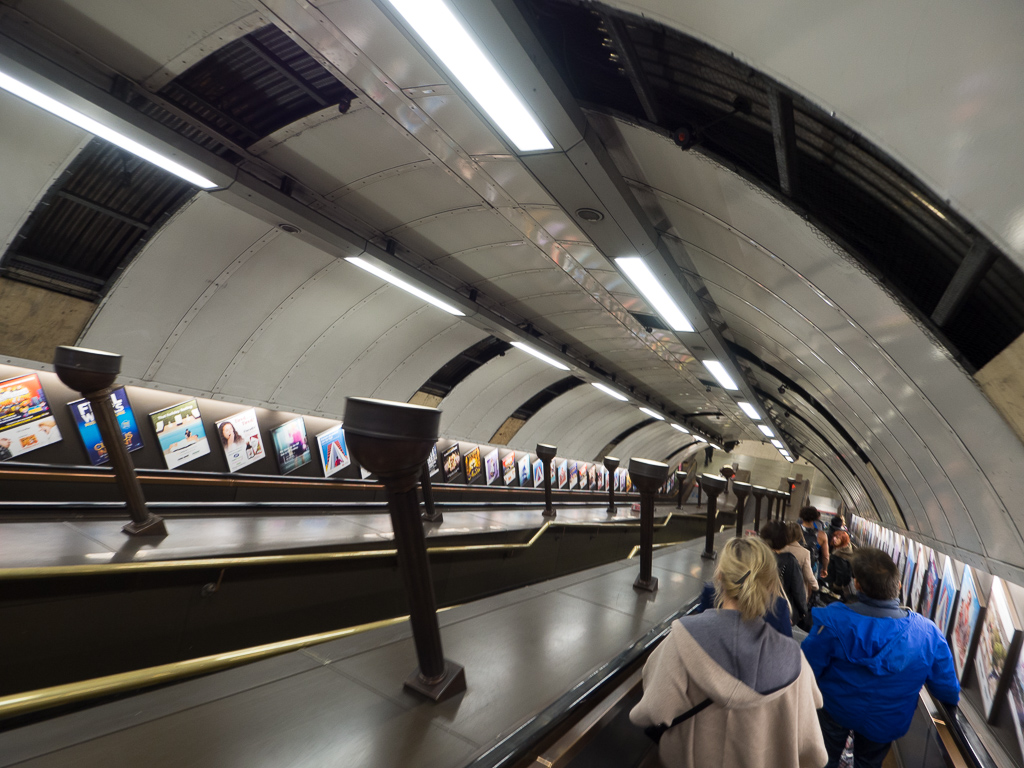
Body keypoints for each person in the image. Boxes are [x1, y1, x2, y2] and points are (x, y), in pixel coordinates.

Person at [630, 536, 828, 767]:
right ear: (771, 585)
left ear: (720, 578)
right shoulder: (795, 662)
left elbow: (652, 711)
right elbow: (815, 753)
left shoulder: (682, 638)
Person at [802, 547, 959, 768]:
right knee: (869, 763)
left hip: (836, 708)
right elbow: (946, 686)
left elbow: (808, 665)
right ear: (899, 585)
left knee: (824, 757)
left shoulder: (833, 620)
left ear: (857, 585)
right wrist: (951, 704)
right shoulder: (927, 633)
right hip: (887, 717)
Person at [760, 521, 809, 630]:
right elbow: (798, 590)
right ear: (784, 540)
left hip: (755, 606)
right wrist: (803, 611)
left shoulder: (756, 555)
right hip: (778, 611)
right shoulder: (790, 561)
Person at [785, 521, 818, 601]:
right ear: (799, 534)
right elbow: (808, 575)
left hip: (780, 592)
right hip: (798, 594)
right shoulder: (804, 553)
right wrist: (815, 587)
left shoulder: (778, 550)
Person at [799, 506, 830, 580]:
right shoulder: (822, 535)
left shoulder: (793, 530)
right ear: (815, 518)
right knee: (809, 586)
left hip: (795, 564)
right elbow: (826, 556)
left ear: (801, 517)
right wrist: (824, 569)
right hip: (811, 566)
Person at [826, 531, 855, 597]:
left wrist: (836, 586)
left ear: (843, 540)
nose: (834, 539)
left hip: (835, 582)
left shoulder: (840, 555)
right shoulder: (844, 547)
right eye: (834, 537)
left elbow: (841, 572)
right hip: (836, 579)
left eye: (838, 538)